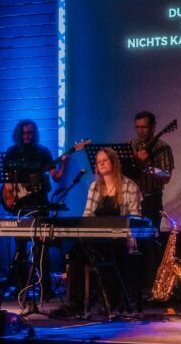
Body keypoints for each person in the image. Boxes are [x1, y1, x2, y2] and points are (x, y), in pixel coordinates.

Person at [62, 147, 142, 316]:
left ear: (114, 162)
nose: (101, 164)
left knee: (109, 254)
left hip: (118, 240)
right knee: (76, 252)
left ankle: (110, 302)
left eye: (105, 160)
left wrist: (130, 239)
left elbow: (135, 219)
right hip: (97, 239)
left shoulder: (129, 186)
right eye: (98, 162)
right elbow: (87, 216)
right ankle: (75, 304)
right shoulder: (94, 187)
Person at [1, 119, 67, 299]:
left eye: (29, 133)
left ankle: (45, 288)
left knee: (41, 247)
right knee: (20, 247)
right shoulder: (12, 152)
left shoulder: (43, 152)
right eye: (23, 133)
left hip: (39, 203)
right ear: (18, 134)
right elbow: (6, 180)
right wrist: (9, 193)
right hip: (20, 205)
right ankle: (21, 288)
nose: (26, 136)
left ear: (34, 133)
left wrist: (64, 163)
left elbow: (56, 177)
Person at [128, 110, 174, 302]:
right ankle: (132, 287)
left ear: (153, 127)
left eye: (144, 127)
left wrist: (147, 164)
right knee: (131, 244)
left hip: (151, 199)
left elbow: (166, 176)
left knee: (149, 244)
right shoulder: (132, 145)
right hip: (131, 200)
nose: (140, 131)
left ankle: (151, 289)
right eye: (137, 127)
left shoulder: (162, 147)